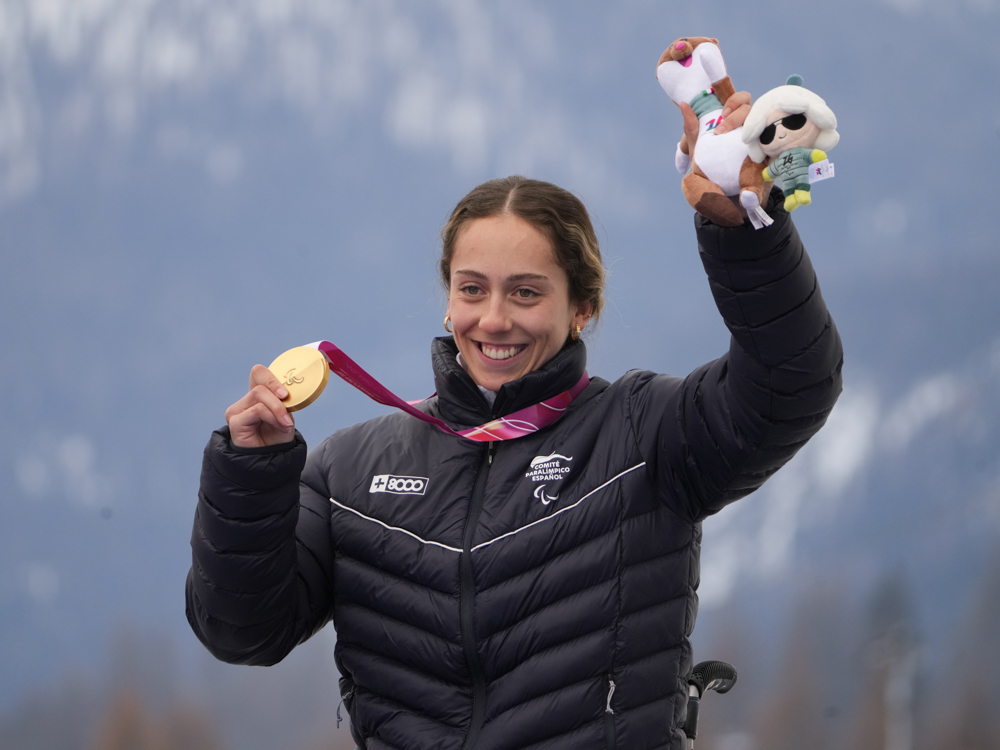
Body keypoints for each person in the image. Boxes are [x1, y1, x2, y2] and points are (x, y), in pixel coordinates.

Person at [187, 115, 843, 749]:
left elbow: (793, 384)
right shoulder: (349, 471)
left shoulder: (645, 435)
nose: (493, 319)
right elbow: (242, 633)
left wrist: (747, 237)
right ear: (448, 298)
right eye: (472, 290)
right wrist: (251, 475)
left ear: (581, 307)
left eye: (526, 293)